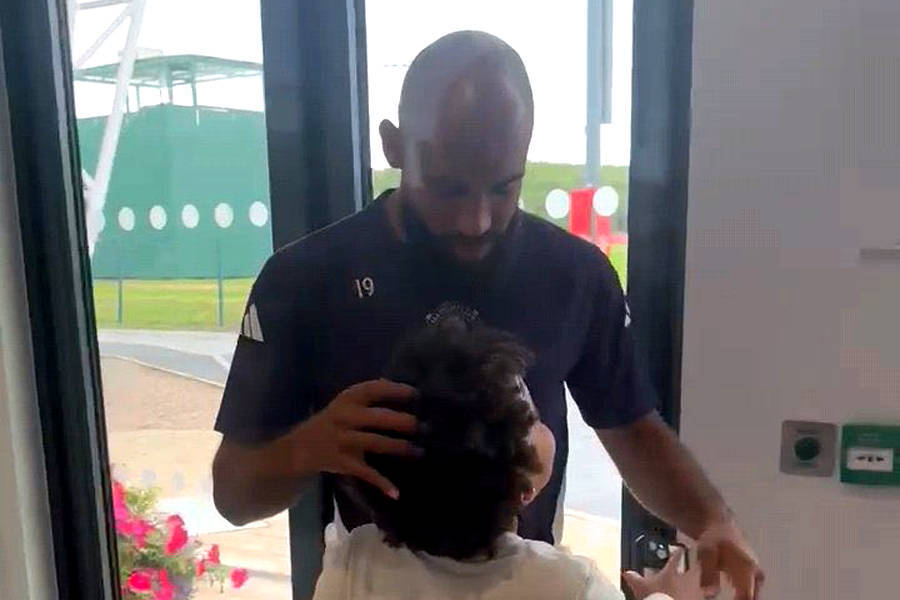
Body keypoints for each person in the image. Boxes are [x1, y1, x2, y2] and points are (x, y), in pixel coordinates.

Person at [212, 30, 764, 599]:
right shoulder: (304, 282)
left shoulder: (574, 276)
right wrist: (310, 445)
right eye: (449, 189)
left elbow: (633, 430)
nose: (476, 221)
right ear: (394, 146)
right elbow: (232, 495)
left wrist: (713, 520)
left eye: (503, 189)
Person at [312, 322, 699, 600]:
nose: (545, 424)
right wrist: (664, 596)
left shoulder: (353, 561)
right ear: (522, 489)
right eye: (533, 418)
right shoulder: (568, 585)